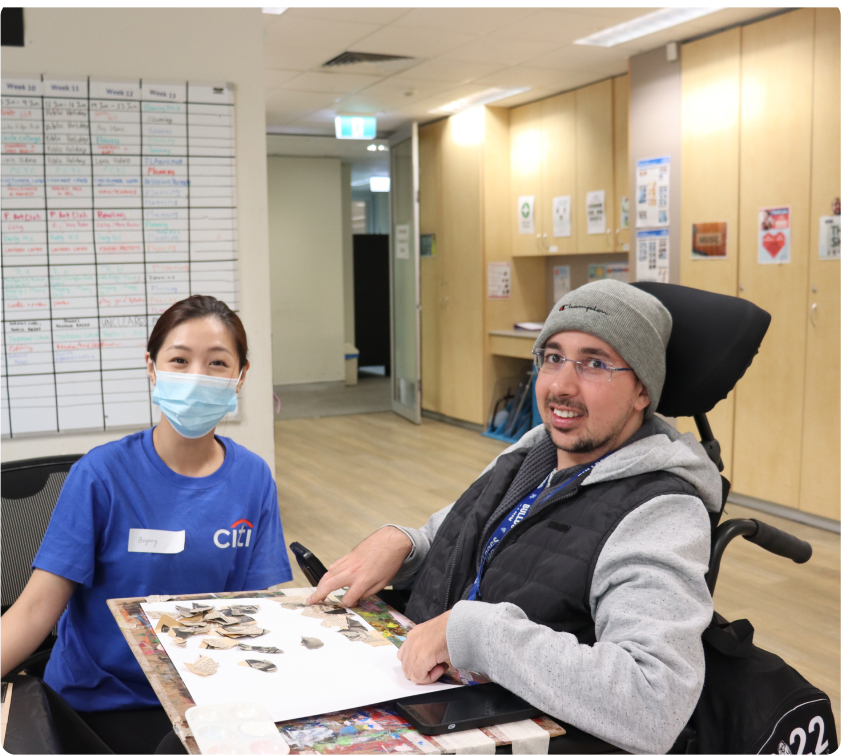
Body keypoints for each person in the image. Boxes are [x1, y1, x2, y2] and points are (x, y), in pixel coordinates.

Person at [309, 280, 721, 754]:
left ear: (642, 390)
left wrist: (476, 633)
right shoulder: (532, 455)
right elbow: (465, 542)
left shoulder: (660, 511)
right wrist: (403, 543)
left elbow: (654, 703)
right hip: (418, 694)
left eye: (594, 363)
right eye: (553, 357)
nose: (561, 386)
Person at [0, 295, 292, 754]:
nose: (196, 376)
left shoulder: (253, 477)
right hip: (101, 701)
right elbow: (36, 609)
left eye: (217, 363)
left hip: (206, 698)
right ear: (152, 368)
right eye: (180, 360)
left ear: (240, 376)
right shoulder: (101, 475)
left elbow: (255, 611)